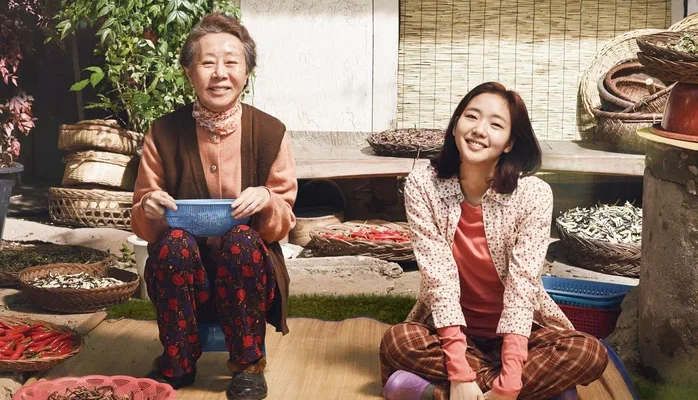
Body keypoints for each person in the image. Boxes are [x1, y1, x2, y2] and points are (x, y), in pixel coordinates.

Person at [379, 82, 608, 400]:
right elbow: (438, 280)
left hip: (521, 334)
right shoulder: (423, 184)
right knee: (398, 341)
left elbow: (522, 290)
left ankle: (433, 393)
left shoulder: (533, 195)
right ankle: (529, 392)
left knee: (589, 352)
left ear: (510, 143)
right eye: (471, 116)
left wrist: (510, 380)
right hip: (453, 334)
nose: (479, 130)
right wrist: (459, 372)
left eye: (495, 124)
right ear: (456, 124)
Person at [130, 12, 297, 400]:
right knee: (173, 244)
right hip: (181, 269)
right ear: (189, 72)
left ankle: (248, 364)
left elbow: (282, 223)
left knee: (241, 240)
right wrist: (149, 207)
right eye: (207, 62)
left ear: (247, 72)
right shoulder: (163, 132)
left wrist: (268, 200)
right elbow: (142, 219)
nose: (220, 73)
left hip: (248, 270)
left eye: (231, 62)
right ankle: (178, 360)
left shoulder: (270, 133)